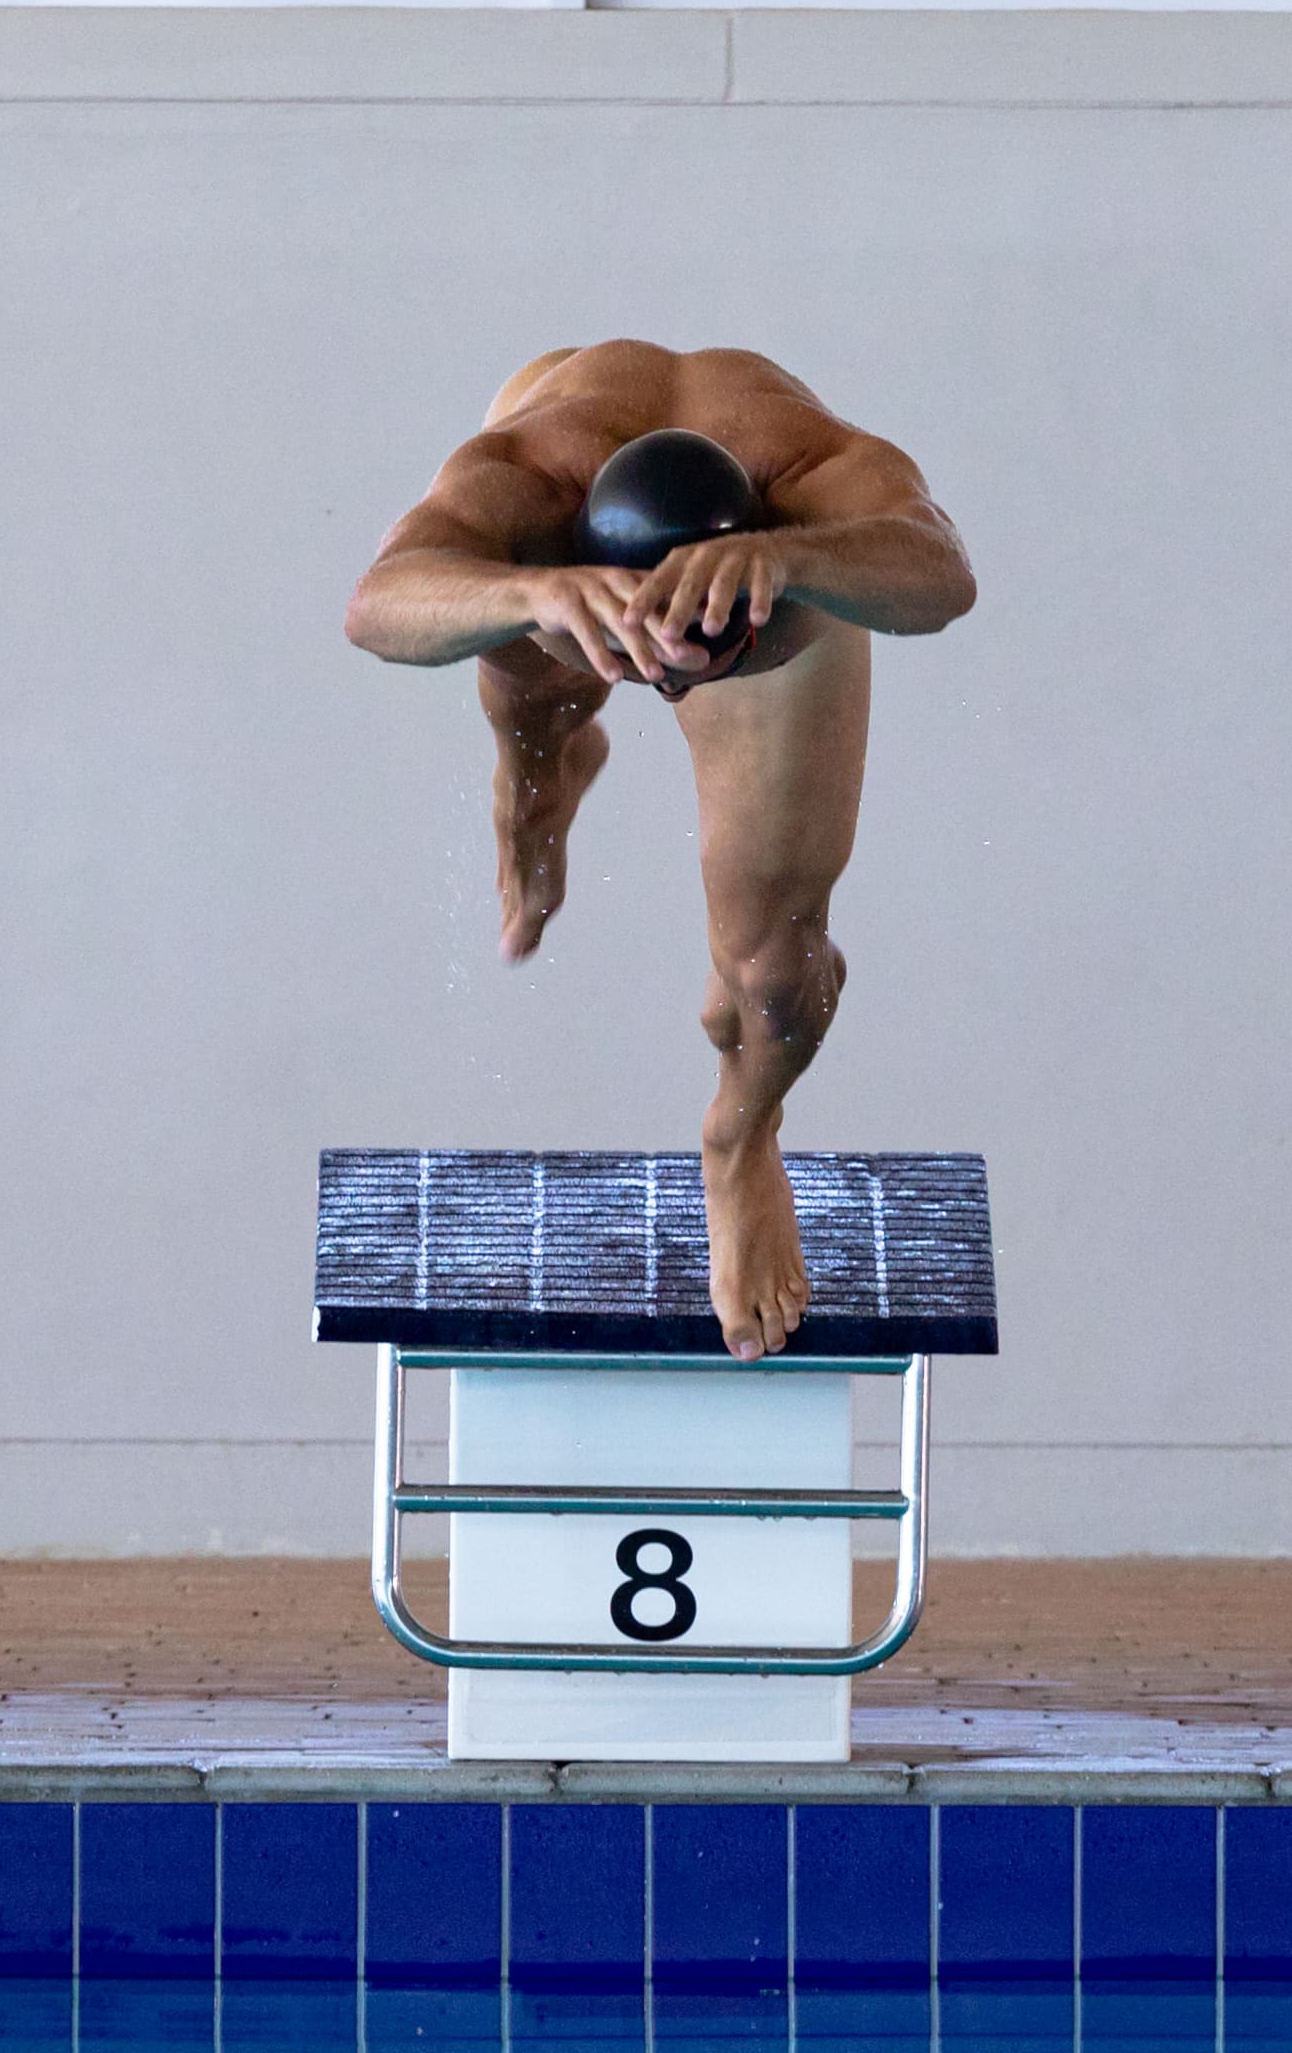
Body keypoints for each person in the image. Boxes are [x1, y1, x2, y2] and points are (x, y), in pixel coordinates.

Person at [345, 343, 973, 1358]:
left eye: (699, 652)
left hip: (789, 589)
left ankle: (742, 1136)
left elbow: (944, 574)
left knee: (777, 965)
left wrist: (791, 567)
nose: (668, 679)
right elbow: (376, 605)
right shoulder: (529, 489)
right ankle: (539, 781)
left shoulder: (812, 492)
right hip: (555, 578)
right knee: (525, 709)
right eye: (645, 655)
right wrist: (532, 598)